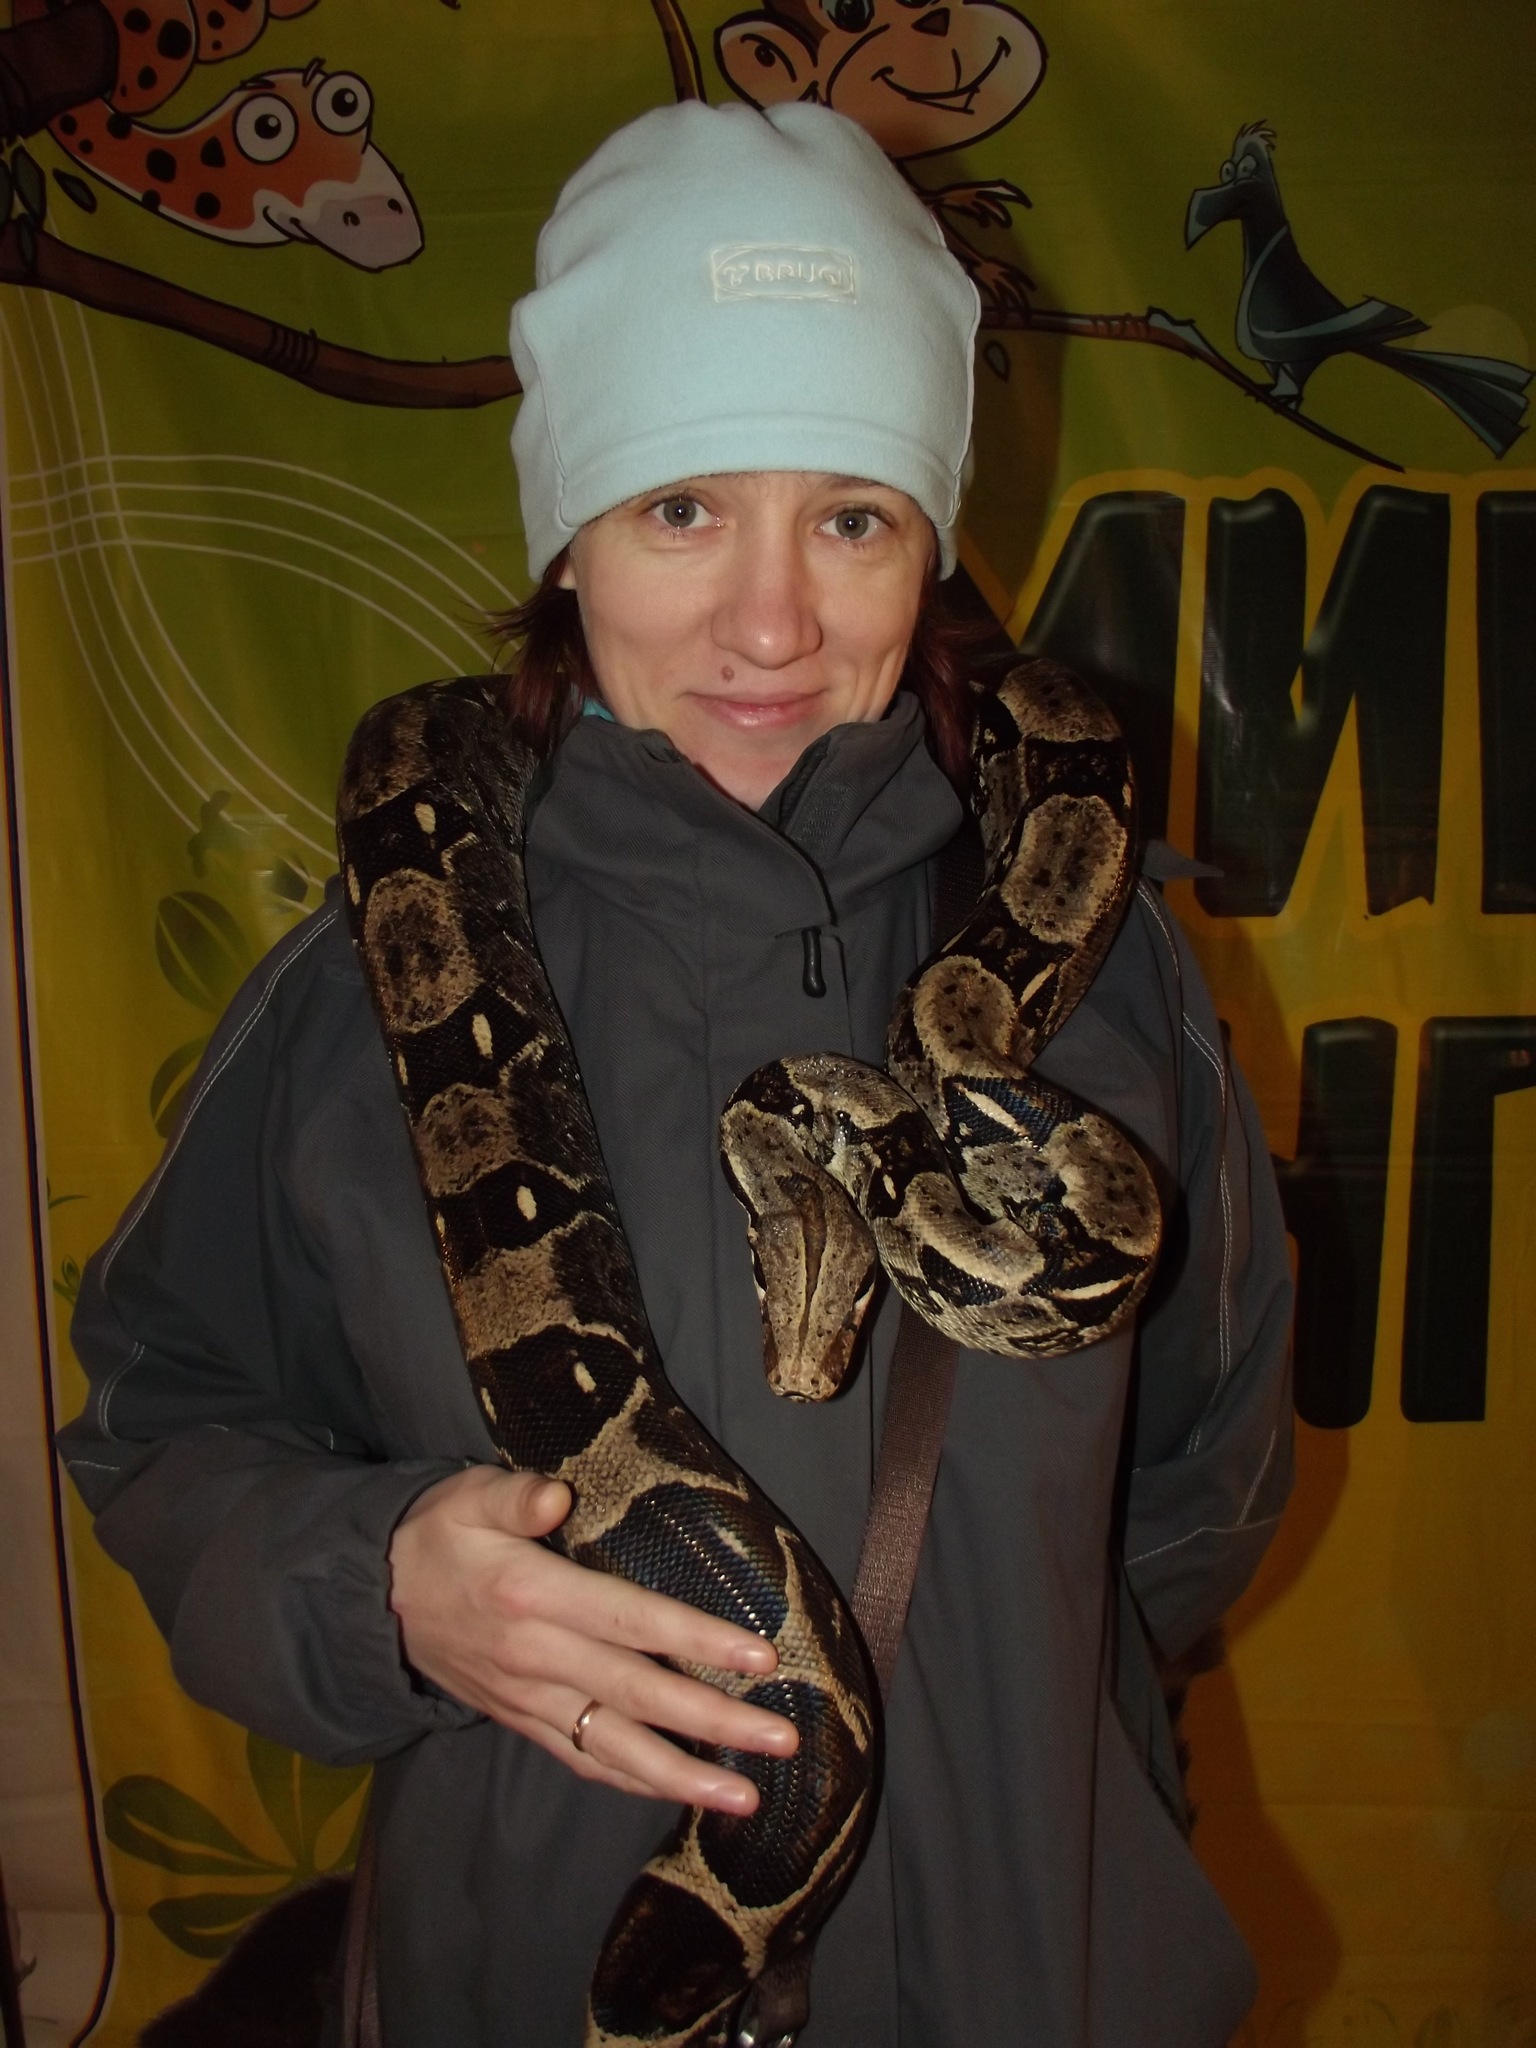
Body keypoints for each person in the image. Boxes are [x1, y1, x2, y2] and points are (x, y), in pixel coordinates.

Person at [60, 100, 1294, 2047]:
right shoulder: (357, 994)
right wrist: (375, 1582)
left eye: (853, 515)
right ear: (569, 536)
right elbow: (164, 1418)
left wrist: (1026, 1738)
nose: (772, 622)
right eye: (683, 508)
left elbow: (1203, 1483)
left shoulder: (1121, 985)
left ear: (931, 546)